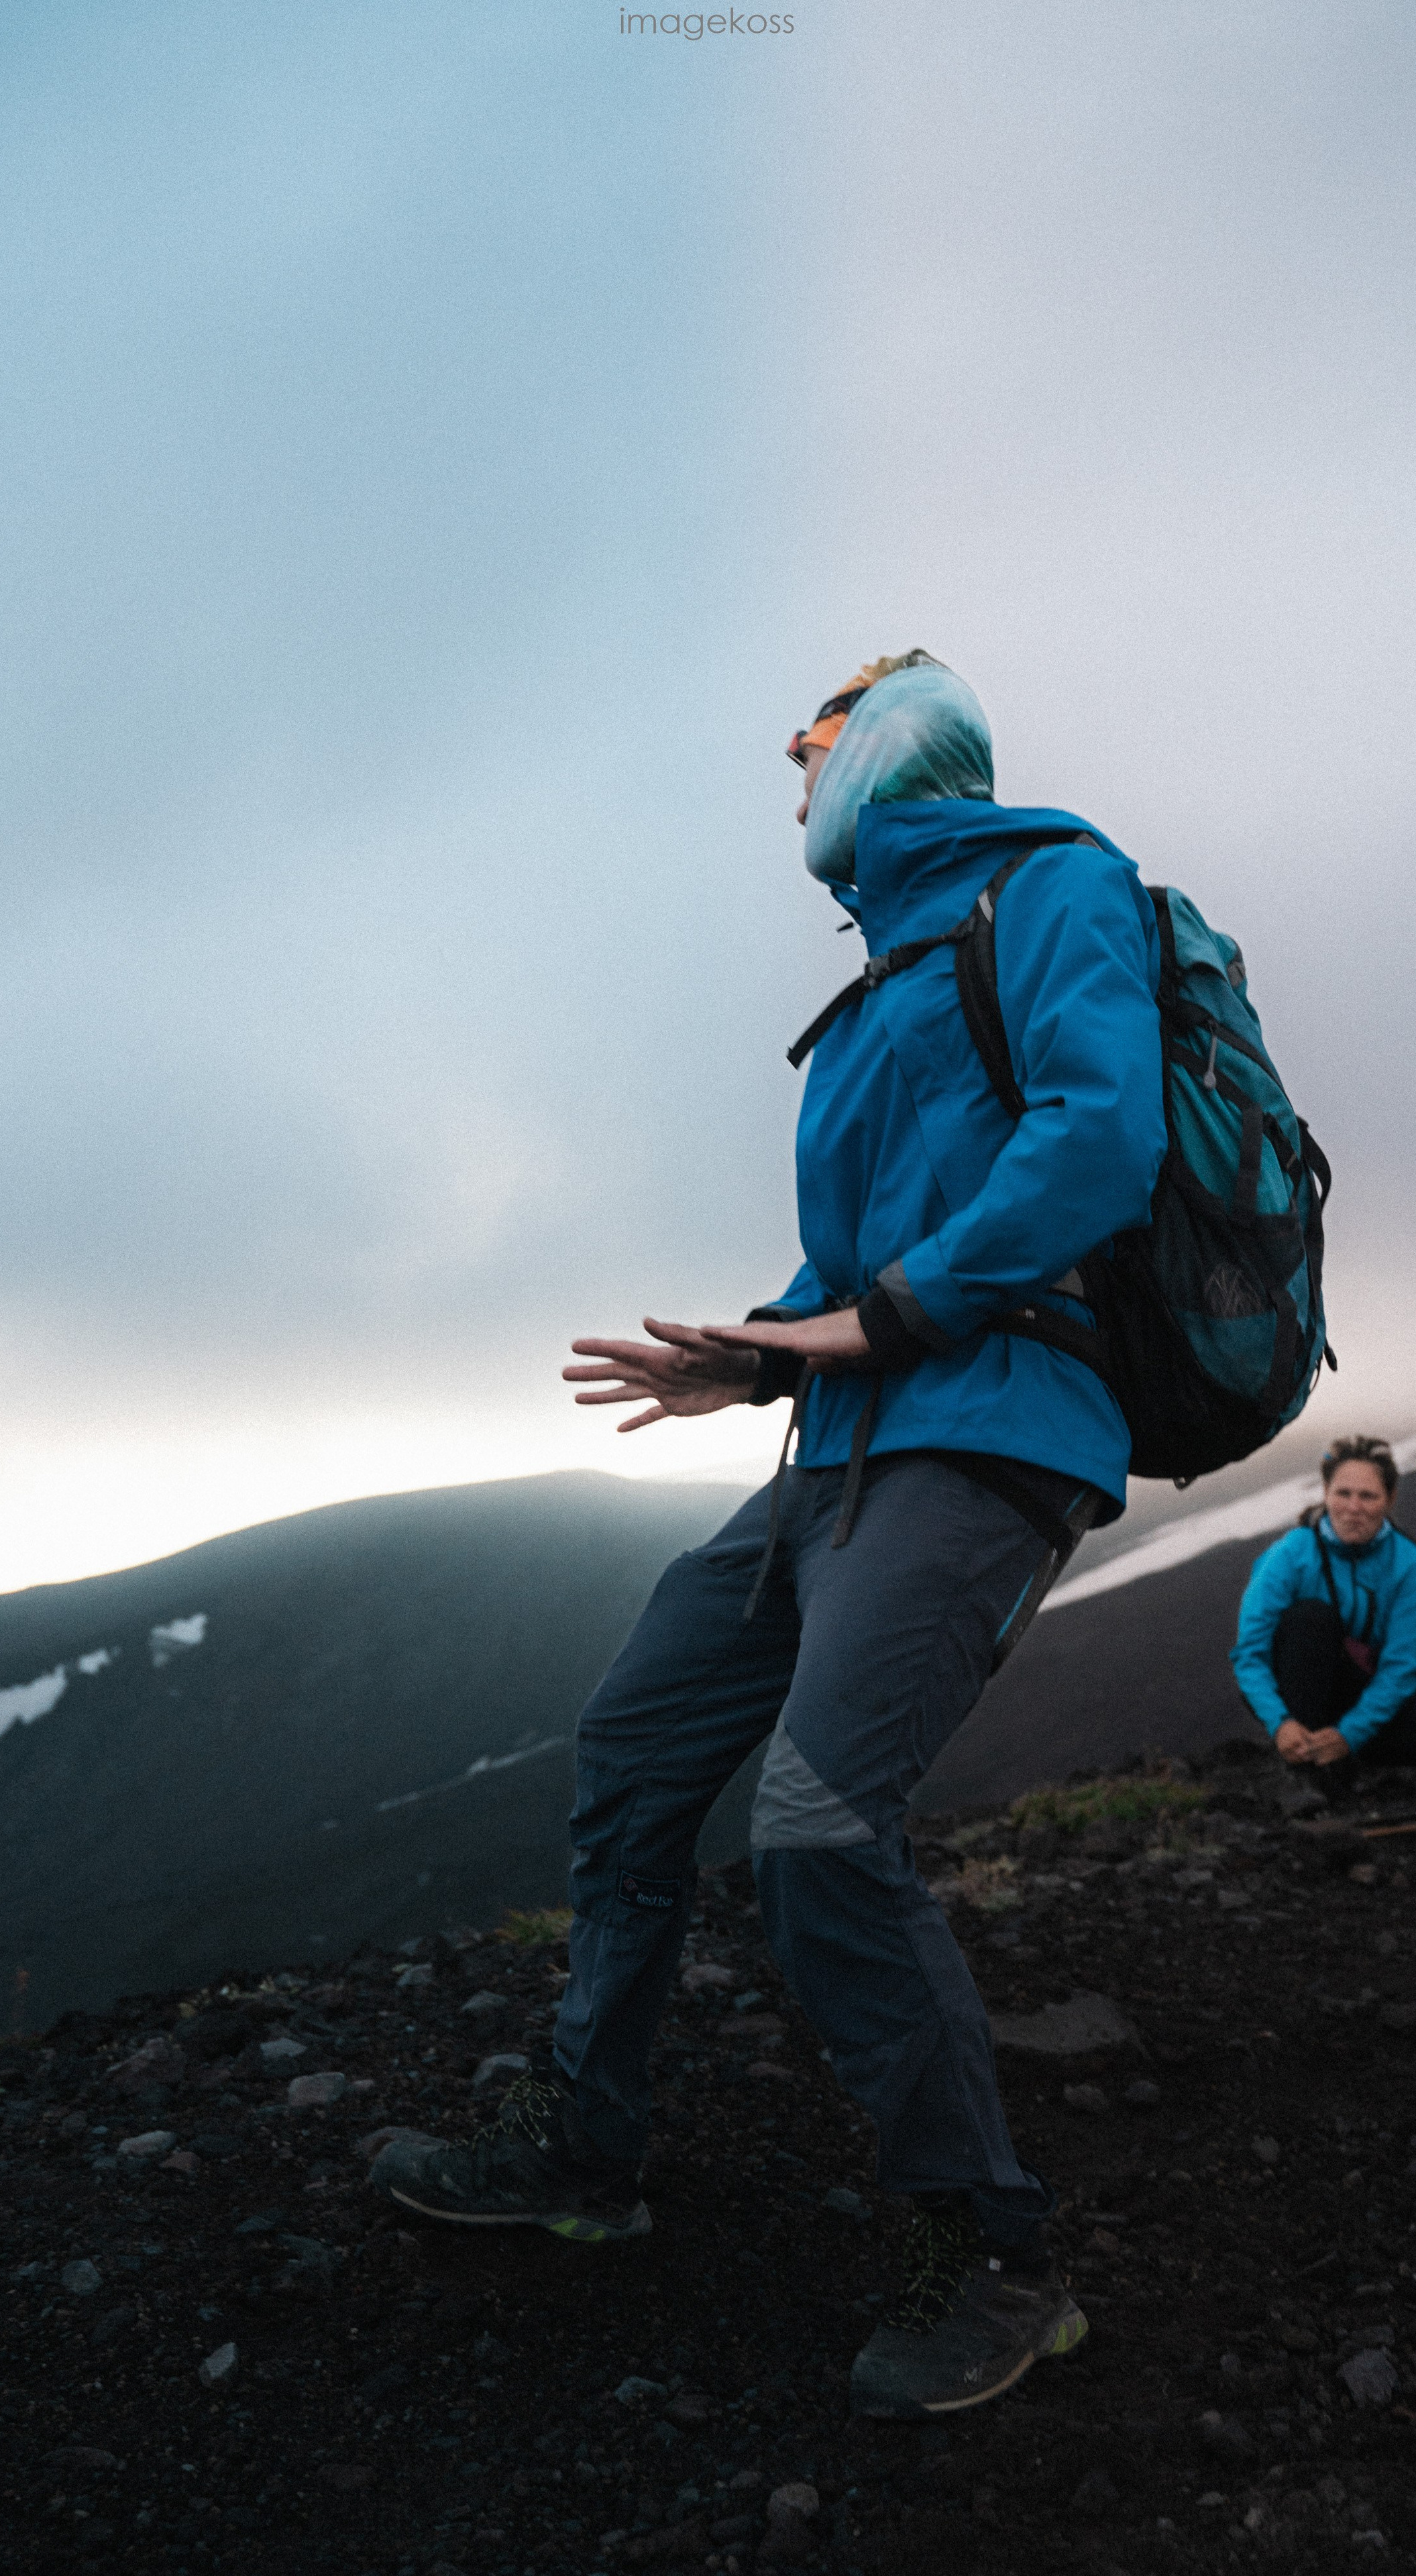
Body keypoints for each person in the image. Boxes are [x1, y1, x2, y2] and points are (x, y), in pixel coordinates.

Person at [372, 649, 1168, 2418]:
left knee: (816, 1822)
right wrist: (758, 1352)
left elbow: (1106, 1134)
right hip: (838, 1452)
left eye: (812, 740)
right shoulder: (886, 972)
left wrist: (879, 1319)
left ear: (894, 740)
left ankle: (994, 2255)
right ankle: (590, 2147)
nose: (789, 771)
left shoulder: (1054, 884)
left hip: (987, 1440)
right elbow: (864, 1258)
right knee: (636, 1746)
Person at [1231, 1436, 1416, 1770]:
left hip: (1361, 1687)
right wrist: (1279, 1722)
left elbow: (1402, 1666)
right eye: (1343, 1493)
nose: (1354, 1507)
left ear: (1389, 1499)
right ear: (1326, 1494)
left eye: (1368, 1496)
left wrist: (1350, 1734)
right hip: (1299, 1689)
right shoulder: (1291, 1554)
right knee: (1309, 1618)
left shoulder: (1409, 1565)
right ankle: (1308, 1761)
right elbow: (1250, 1653)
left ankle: (1345, 1754)